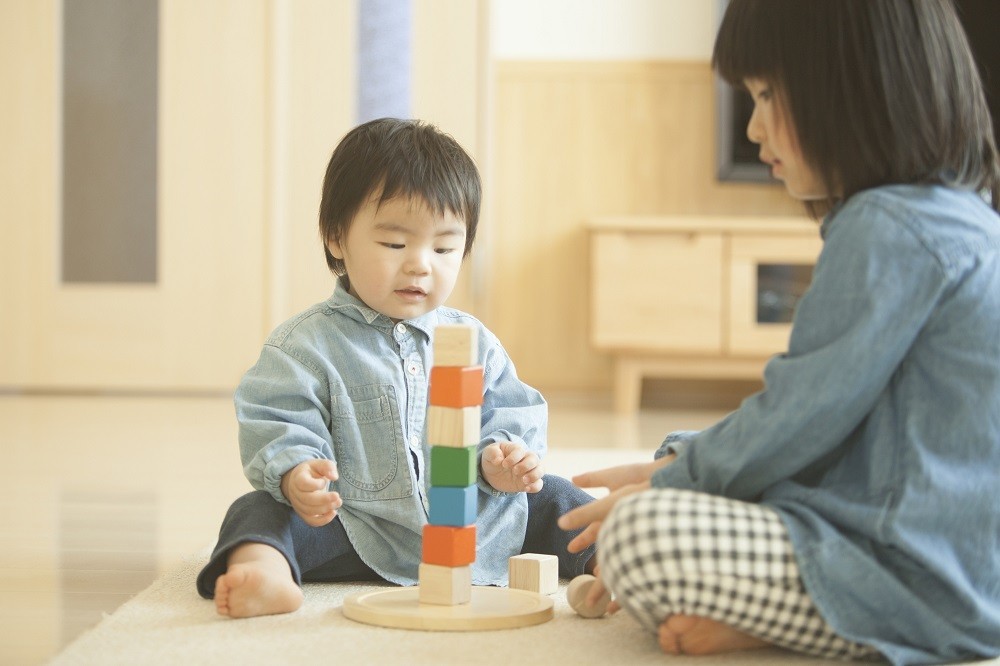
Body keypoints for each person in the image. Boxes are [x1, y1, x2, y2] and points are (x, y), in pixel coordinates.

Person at [558, 1, 1000, 664]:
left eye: (767, 94)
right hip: (950, 563)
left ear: (855, 90)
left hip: (920, 581)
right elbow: (830, 431)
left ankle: (824, 626)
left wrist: (674, 482)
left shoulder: (887, 229)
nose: (755, 126)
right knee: (663, 501)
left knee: (639, 535)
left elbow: (799, 417)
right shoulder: (956, 218)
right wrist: (680, 463)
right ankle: (771, 617)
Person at [197, 117, 596, 618]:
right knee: (256, 511)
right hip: (359, 528)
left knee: (559, 498)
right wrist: (299, 473)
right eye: (394, 244)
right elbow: (278, 418)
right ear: (336, 237)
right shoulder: (304, 345)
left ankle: (615, 564)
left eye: (445, 248)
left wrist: (507, 458)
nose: (421, 264)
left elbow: (514, 411)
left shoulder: (475, 342)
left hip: (480, 527)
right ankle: (267, 573)